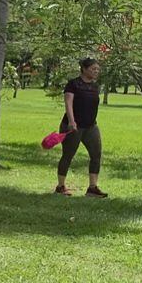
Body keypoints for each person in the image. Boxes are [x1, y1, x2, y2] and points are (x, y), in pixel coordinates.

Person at [56, 58, 106, 197]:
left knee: (96, 155)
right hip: (73, 126)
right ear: (84, 69)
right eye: (93, 69)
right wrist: (72, 122)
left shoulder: (95, 86)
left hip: (91, 126)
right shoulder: (73, 84)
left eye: (97, 69)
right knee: (68, 155)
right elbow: (68, 103)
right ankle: (60, 186)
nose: (96, 71)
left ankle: (92, 188)